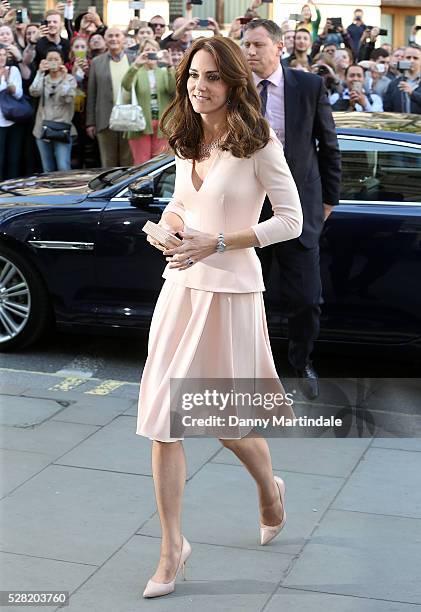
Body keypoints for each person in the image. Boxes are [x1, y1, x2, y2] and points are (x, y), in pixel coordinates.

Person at [136, 35, 303, 598]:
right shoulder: (187, 139)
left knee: (229, 425)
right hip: (181, 288)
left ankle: (270, 491)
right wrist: (172, 225)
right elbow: (184, 202)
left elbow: (291, 221)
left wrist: (219, 242)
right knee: (163, 421)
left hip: (230, 292)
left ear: (233, 83)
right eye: (191, 77)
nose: (197, 88)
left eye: (210, 78)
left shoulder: (259, 143)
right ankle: (171, 548)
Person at [243, 19, 341, 399]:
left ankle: (301, 363)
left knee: (305, 299)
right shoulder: (236, 90)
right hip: (248, 210)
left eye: (257, 45)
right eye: (246, 45)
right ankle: (253, 368)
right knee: (250, 296)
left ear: (279, 47)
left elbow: (328, 147)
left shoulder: (309, 86)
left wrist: (328, 201)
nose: (250, 52)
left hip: (299, 211)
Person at [121, 38, 175, 164]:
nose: (150, 53)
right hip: (140, 124)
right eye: (147, 50)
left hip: (162, 124)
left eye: (153, 50)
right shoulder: (137, 71)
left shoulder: (163, 71)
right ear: (141, 53)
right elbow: (126, 85)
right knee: (141, 163)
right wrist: (136, 64)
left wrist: (170, 65)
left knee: (159, 164)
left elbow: (173, 88)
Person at [86, 27, 133, 167]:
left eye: (117, 35)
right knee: (108, 163)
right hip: (105, 119)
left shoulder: (134, 60)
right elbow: (92, 93)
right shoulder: (96, 62)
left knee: (128, 162)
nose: (114, 39)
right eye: (110, 36)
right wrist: (90, 122)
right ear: (105, 40)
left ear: (123, 39)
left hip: (130, 119)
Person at [29, 49, 76, 171]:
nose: (53, 62)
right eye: (50, 59)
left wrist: (64, 77)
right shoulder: (43, 79)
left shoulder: (70, 79)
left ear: (62, 62)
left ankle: (65, 190)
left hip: (62, 128)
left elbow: (68, 99)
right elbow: (34, 91)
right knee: (47, 168)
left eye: (56, 59)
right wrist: (40, 72)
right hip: (42, 128)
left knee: (63, 165)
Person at [0, 43, 24, 180]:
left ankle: (12, 191)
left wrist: (12, 89)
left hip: (14, 120)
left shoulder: (13, 70)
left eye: (4, 55)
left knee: (14, 159)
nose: (2, 58)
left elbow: (19, 94)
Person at [383, 45, 421, 114]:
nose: (411, 61)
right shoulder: (394, 84)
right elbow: (387, 109)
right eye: (408, 57)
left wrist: (412, 94)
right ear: (403, 60)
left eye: (415, 58)